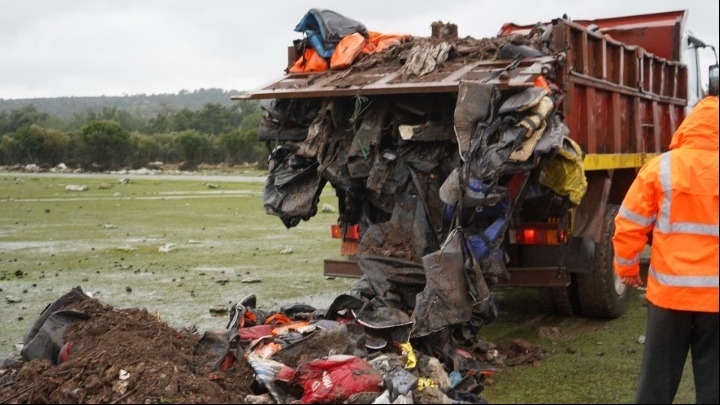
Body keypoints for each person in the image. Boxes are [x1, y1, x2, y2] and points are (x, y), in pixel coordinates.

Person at [612, 95, 719, 404]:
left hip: (670, 296)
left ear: (690, 125)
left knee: (657, 382)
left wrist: (626, 268)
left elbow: (629, 224)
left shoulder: (660, 169)